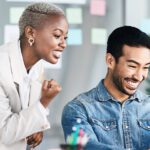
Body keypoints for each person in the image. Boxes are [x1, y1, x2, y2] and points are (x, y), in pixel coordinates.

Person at [61, 26, 150, 150]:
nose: (139, 76)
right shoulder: (77, 110)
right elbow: (80, 148)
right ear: (110, 61)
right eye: (132, 66)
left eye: (146, 67)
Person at [0, 2, 68, 150]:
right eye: (57, 35)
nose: (64, 44)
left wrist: (36, 129)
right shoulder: (2, 67)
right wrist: (44, 102)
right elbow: (4, 132)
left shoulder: (37, 67)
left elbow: (29, 118)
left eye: (65, 37)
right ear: (30, 33)